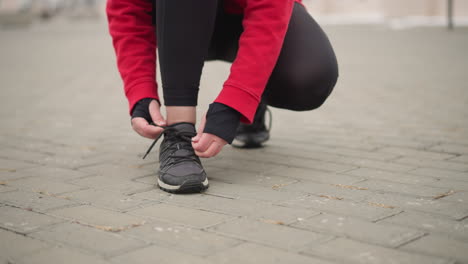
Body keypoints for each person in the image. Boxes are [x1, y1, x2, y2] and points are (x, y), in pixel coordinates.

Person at [106, 0, 338, 193]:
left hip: (246, 13)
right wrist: (140, 91)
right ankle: (179, 135)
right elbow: (126, 9)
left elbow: (270, 8)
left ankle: (252, 103)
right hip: (175, 17)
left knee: (310, 77)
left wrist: (238, 101)